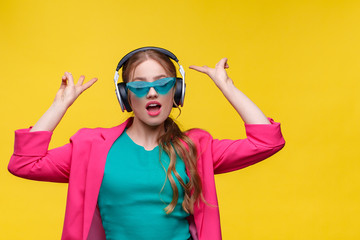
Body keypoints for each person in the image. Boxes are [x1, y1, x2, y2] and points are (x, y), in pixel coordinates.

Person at [8, 47, 285, 240]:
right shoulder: (91, 146)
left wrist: (228, 87)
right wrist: (59, 106)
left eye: (163, 83)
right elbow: (24, 163)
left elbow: (266, 142)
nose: (152, 91)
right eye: (139, 85)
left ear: (176, 91)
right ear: (125, 96)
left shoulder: (196, 148)